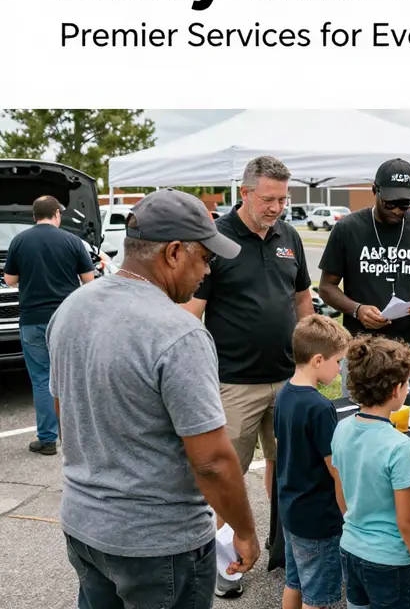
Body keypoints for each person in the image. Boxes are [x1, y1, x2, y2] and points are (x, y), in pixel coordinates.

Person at [47, 189, 260, 609]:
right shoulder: (179, 333)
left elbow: (66, 415)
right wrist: (245, 530)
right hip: (159, 544)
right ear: (175, 252)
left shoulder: (72, 308)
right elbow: (212, 461)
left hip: (84, 526)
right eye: (206, 258)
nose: (207, 272)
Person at [183, 155, 313, 599]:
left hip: (288, 379)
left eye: (284, 198)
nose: (278, 207)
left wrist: (311, 358)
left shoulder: (289, 235)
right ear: (245, 193)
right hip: (234, 383)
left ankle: (281, 552)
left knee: (287, 469)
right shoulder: (215, 238)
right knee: (225, 477)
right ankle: (226, 565)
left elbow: (303, 302)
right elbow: (190, 315)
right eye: (269, 198)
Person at [318, 158, 410, 398]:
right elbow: (327, 287)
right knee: (357, 425)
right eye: (390, 203)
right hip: (362, 355)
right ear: (374, 191)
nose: (398, 210)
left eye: (405, 203)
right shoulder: (348, 229)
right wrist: (357, 309)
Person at [331, 337, 410, 608]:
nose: (409, 388)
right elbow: (408, 521)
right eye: (407, 383)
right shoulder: (399, 445)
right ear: (395, 390)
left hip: (350, 547)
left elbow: (340, 489)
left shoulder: (341, 428)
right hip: (390, 561)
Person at [3, 195, 94, 455]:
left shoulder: (19, 241)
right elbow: (89, 281)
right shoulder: (72, 241)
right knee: (72, 376)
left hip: (32, 321)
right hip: (67, 319)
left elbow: (9, 280)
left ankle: (46, 441)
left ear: (33, 216)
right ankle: (79, 437)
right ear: (57, 214)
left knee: (43, 379)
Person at [274, 315, 350, 609]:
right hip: (319, 519)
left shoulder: (284, 394)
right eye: (338, 361)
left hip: (292, 510)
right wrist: (347, 513)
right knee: (316, 598)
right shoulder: (320, 408)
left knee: (294, 582)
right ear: (319, 360)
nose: (340, 368)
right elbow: (336, 470)